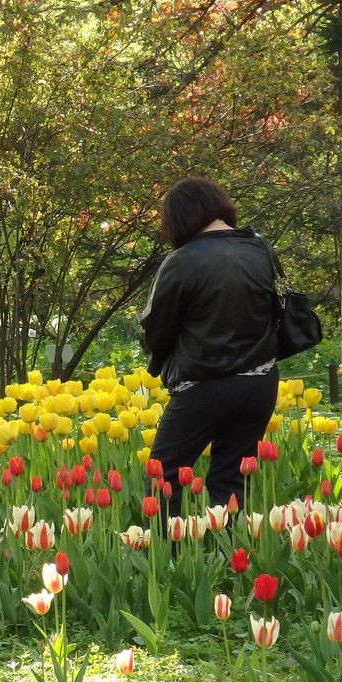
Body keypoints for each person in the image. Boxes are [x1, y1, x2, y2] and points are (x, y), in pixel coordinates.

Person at [139, 177, 280, 518]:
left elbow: (155, 327)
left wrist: (157, 356)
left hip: (205, 383)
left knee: (164, 477)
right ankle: (230, 564)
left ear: (178, 218)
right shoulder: (259, 248)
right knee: (232, 480)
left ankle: (167, 562)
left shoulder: (183, 260)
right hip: (260, 381)